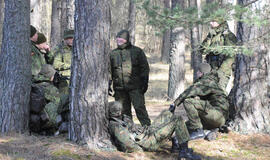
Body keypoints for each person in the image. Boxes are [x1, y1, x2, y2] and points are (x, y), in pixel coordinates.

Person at [108, 101, 201, 160]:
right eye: (119, 110)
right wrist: (142, 150)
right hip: (148, 141)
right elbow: (127, 143)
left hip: (147, 133)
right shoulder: (115, 126)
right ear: (117, 112)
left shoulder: (122, 118)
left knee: (167, 113)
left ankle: (176, 146)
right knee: (177, 120)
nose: (121, 111)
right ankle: (184, 152)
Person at [173, 63, 229, 140]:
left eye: (198, 71)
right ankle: (208, 132)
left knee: (188, 102)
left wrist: (174, 104)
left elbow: (190, 91)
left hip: (217, 115)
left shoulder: (207, 82)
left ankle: (198, 131)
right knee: (185, 127)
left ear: (202, 73)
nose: (197, 73)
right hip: (214, 118)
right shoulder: (209, 81)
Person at [109, 30, 151, 126]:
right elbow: (109, 70)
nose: (119, 40)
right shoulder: (113, 54)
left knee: (140, 108)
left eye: (122, 39)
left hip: (135, 87)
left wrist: (145, 82)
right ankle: (129, 130)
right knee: (123, 112)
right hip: (119, 89)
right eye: (118, 39)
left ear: (126, 39)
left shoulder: (137, 51)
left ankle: (148, 129)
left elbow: (144, 68)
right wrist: (108, 84)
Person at [199, 19, 237, 94]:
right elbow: (202, 50)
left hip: (222, 69)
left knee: (219, 93)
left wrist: (221, 71)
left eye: (213, 21)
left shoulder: (228, 35)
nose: (210, 23)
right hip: (210, 69)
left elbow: (231, 56)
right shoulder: (211, 35)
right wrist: (209, 38)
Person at [52, 29, 74, 94]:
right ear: (65, 39)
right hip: (64, 80)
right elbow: (56, 64)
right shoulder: (60, 49)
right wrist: (70, 65)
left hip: (75, 79)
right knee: (64, 99)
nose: (72, 40)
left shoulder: (76, 48)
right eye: (70, 38)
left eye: (73, 38)